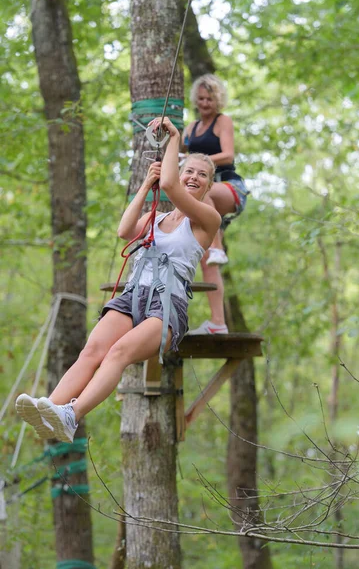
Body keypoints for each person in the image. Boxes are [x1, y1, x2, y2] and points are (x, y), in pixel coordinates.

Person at [15, 117, 221, 444]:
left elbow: (169, 185)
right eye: (189, 171)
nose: (194, 177)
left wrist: (175, 137)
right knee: (93, 350)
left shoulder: (207, 220)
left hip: (166, 305)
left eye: (202, 175)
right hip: (134, 295)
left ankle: (72, 415)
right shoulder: (159, 217)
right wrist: (143, 186)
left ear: (209, 186)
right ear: (182, 174)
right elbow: (125, 230)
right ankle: (52, 408)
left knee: (118, 353)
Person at [182, 74, 248, 335]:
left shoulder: (223, 122)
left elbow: (228, 154)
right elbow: (184, 158)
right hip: (204, 193)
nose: (205, 103)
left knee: (202, 189)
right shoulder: (190, 128)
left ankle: (218, 247)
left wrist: (198, 163)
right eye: (201, 99)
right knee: (207, 262)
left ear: (217, 99)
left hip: (228, 187)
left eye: (210, 98)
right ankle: (218, 323)